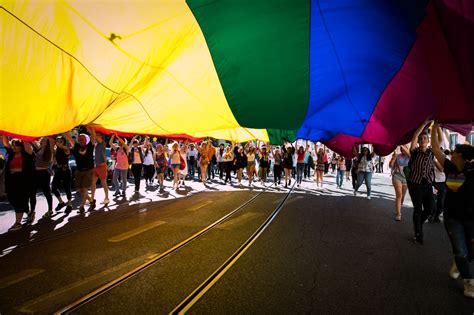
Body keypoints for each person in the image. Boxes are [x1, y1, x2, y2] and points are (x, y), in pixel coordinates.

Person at [431, 123, 474, 298]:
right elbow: (435, 147)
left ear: (463, 157)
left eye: (455, 153)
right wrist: (434, 125)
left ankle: (459, 262)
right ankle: (469, 281)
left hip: (471, 218)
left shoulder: (472, 171)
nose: (452, 154)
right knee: (460, 251)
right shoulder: (449, 167)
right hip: (452, 217)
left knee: (470, 253)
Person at [407, 120, 435, 245]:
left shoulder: (432, 153)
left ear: (428, 141)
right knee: (418, 209)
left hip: (428, 184)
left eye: (425, 138)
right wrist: (423, 125)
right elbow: (413, 137)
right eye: (421, 138)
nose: (423, 140)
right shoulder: (415, 152)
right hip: (415, 184)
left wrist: (436, 126)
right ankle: (418, 233)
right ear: (418, 141)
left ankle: (419, 224)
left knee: (429, 209)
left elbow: (437, 141)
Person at [3, 137, 34, 231]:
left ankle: (18, 223)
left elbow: (27, 144)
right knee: (12, 199)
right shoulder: (11, 154)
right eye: (13, 145)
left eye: (16, 145)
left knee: (19, 201)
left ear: (21, 146)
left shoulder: (27, 154)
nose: (14, 147)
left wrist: (21, 132)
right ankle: (29, 212)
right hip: (12, 181)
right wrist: (4, 132)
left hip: (22, 181)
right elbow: (5, 143)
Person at [66, 130, 95, 213]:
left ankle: (82, 206)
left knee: (84, 189)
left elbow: (93, 135)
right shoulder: (76, 146)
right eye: (80, 140)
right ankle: (91, 201)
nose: (81, 141)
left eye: (83, 139)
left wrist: (91, 128)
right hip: (79, 171)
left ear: (86, 140)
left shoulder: (90, 146)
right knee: (79, 189)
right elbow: (69, 137)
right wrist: (65, 129)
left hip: (89, 170)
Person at [30, 137, 54, 219]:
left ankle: (50, 210)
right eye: (42, 140)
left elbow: (52, 140)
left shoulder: (49, 151)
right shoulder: (39, 148)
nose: (41, 141)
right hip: (35, 174)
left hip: (44, 174)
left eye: (43, 140)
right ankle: (32, 211)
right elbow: (32, 140)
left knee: (47, 192)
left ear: (47, 143)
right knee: (32, 193)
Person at [51, 136, 73, 213]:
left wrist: (57, 144)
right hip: (58, 171)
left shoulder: (66, 148)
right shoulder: (56, 150)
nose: (59, 142)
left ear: (63, 142)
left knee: (67, 188)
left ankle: (69, 204)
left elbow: (66, 150)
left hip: (66, 170)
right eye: (58, 141)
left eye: (61, 141)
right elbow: (53, 158)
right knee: (53, 188)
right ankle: (61, 202)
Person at [389, 145, 410, 221]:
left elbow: (409, 154)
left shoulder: (410, 157)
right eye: (401, 148)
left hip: (406, 178)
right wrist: (393, 158)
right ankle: (398, 214)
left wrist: (402, 144)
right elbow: (390, 165)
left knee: (402, 196)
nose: (402, 150)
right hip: (397, 176)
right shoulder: (397, 156)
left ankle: (399, 206)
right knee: (399, 195)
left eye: (404, 148)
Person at [90, 130, 110, 206]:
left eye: (98, 134)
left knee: (104, 183)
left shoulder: (102, 143)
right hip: (96, 166)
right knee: (93, 182)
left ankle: (107, 198)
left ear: (101, 136)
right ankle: (92, 198)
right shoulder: (97, 144)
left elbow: (94, 136)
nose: (96, 135)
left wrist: (92, 129)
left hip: (102, 166)